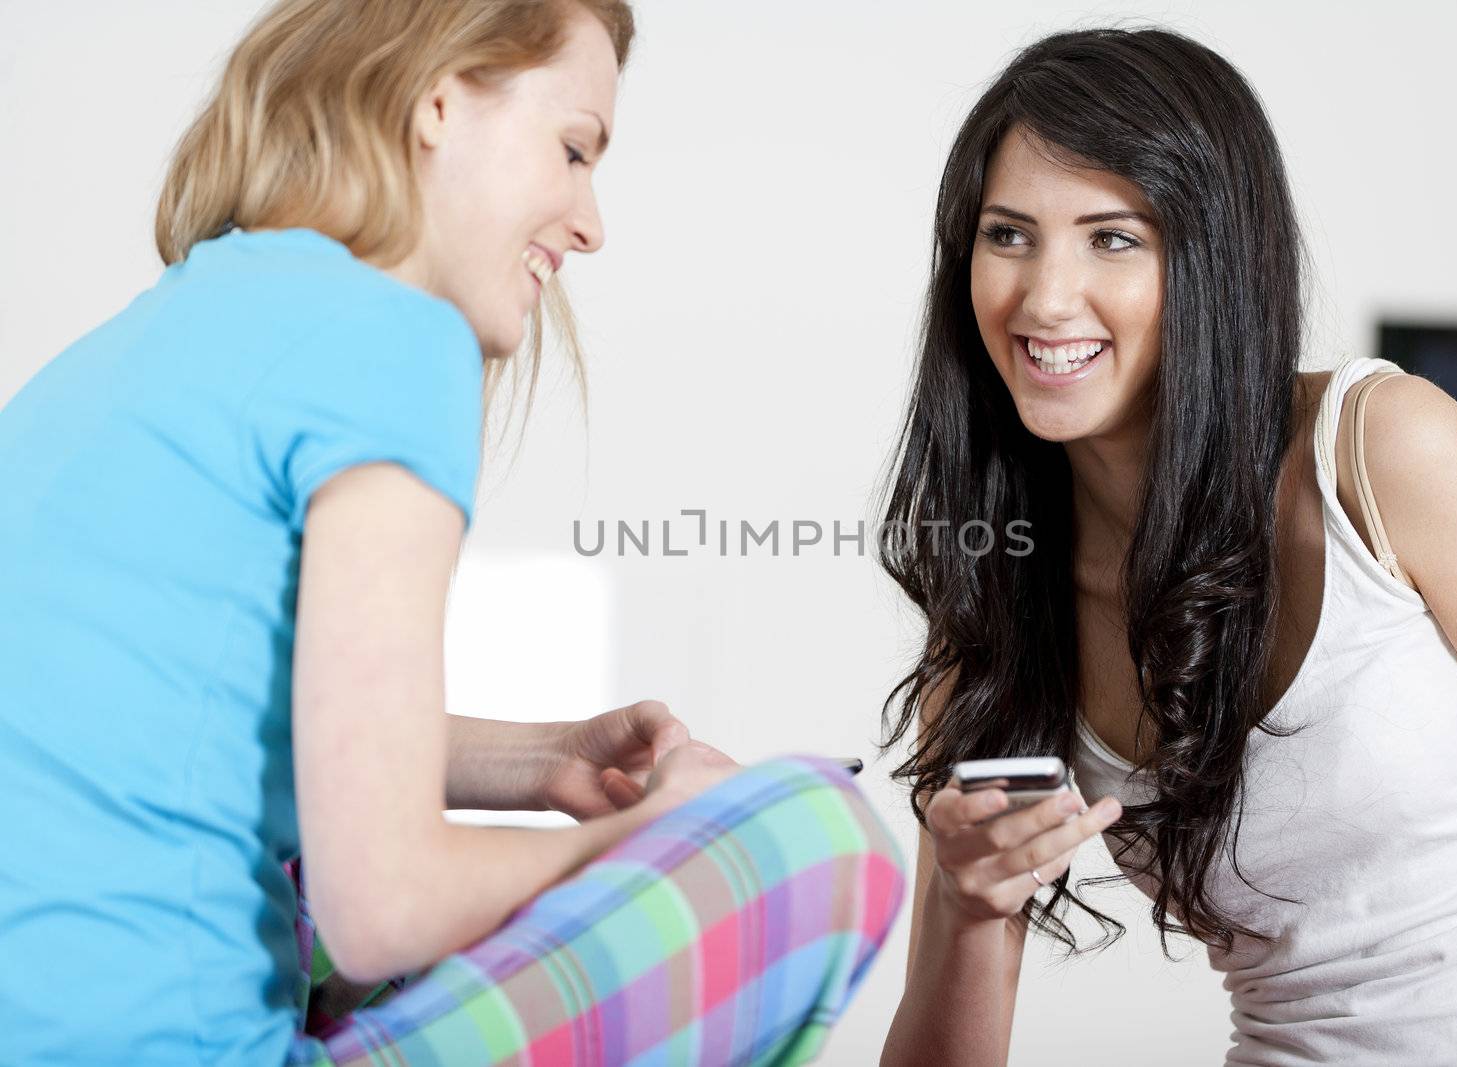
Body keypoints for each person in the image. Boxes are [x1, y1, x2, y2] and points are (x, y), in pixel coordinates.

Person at [0, 2, 904, 1063]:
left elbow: (208, 721)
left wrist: (543, 759)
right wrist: (658, 836)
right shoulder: (390, 332)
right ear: (437, 99)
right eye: (572, 149)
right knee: (813, 831)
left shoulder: (142, 341)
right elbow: (381, 901)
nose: (589, 222)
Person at [876, 27, 1457, 1067]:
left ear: (1211, 255)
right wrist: (967, 899)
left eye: (1113, 237)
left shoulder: (1381, 451)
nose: (1042, 297)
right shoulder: (999, 601)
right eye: (1008, 234)